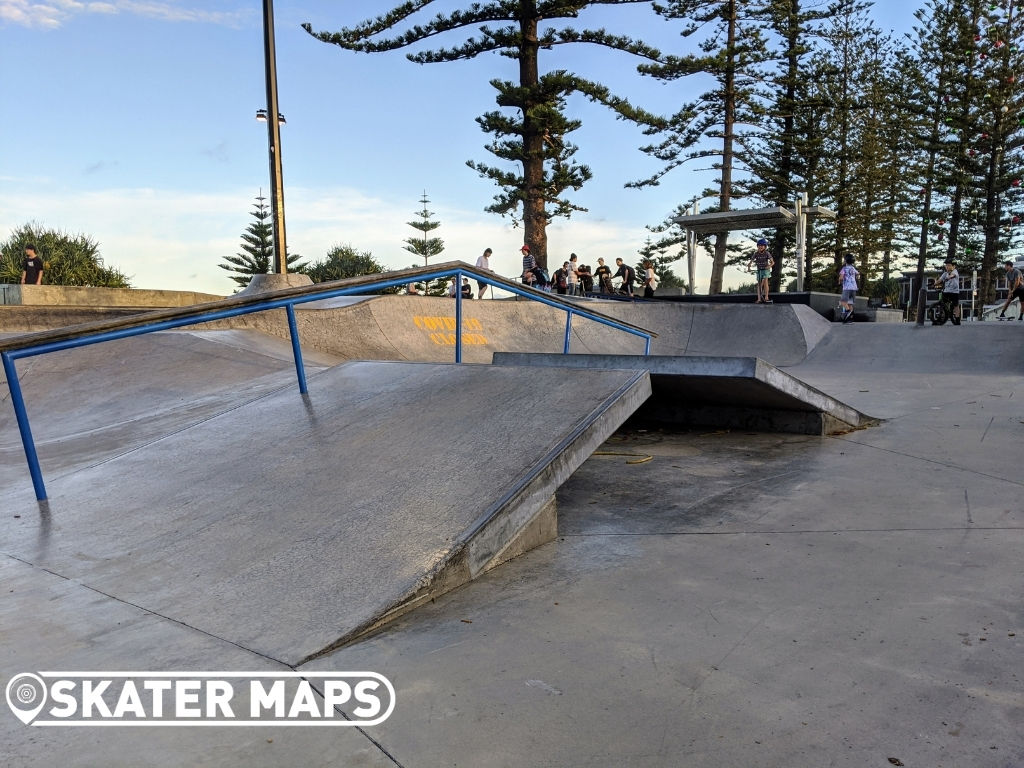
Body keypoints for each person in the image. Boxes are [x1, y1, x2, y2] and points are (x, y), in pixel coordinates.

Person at [936, 258, 961, 325]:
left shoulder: (955, 271)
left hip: (954, 292)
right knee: (941, 303)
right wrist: (934, 284)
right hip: (946, 291)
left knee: (956, 306)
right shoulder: (945, 274)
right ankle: (940, 317)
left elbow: (953, 275)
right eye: (946, 265)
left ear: (954, 266)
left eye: (949, 265)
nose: (947, 267)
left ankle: (957, 320)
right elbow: (940, 280)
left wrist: (949, 277)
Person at [748, 239, 774, 304]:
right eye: (759, 246)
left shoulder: (767, 253)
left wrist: (769, 266)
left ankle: (766, 297)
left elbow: (773, 262)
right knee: (759, 284)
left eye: (762, 246)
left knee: (765, 282)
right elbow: (751, 261)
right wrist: (749, 267)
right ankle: (759, 298)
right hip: (759, 269)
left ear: (765, 247)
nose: (760, 247)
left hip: (765, 269)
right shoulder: (756, 254)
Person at [837, 253, 859, 324]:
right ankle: (850, 319)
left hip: (847, 287)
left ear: (845, 261)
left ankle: (849, 312)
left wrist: (840, 281)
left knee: (843, 301)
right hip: (854, 287)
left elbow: (841, 277)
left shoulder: (844, 268)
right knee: (850, 303)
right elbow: (857, 273)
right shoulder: (853, 268)